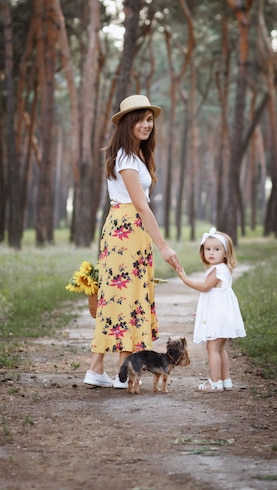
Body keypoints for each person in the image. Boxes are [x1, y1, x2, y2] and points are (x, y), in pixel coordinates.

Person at [83, 94, 182, 389]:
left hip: (131, 232)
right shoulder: (126, 157)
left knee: (122, 298)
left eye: (149, 119)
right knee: (125, 298)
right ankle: (121, 373)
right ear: (127, 123)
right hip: (126, 229)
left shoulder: (135, 156)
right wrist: (164, 246)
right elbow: (141, 206)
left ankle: (98, 368)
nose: (146, 124)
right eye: (140, 119)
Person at [177, 227, 246, 392]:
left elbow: (204, 287)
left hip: (219, 317)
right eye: (208, 249)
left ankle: (214, 382)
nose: (211, 252)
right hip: (221, 314)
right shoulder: (222, 269)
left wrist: (185, 279)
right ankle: (225, 380)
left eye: (216, 249)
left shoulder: (218, 269)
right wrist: (202, 312)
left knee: (212, 348)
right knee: (220, 349)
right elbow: (213, 296)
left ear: (225, 253)